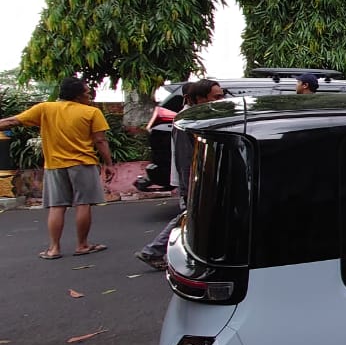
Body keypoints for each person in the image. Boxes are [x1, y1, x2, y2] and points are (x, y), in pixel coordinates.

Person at [0, 77, 114, 259]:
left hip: (54, 165)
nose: (89, 96)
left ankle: (53, 249)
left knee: (57, 206)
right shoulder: (92, 112)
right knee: (83, 204)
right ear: (77, 96)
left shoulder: (45, 109)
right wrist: (108, 164)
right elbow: (100, 140)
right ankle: (82, 245)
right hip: (83, 164)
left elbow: (12, 121)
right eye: (86, 93)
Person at [135, 79, 224, 270]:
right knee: (187, 216)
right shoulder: (186, 121)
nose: (221, 100)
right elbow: (185, 158)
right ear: (200, 98)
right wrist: (190, 186)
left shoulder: (197, 117)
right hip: (191, 181)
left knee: (189, 216)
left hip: (195, 180)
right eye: (216, 97)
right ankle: (153, 251)